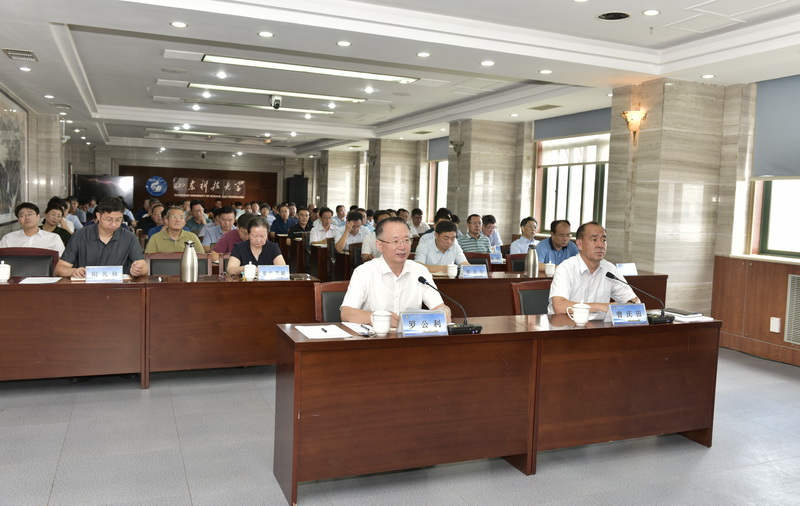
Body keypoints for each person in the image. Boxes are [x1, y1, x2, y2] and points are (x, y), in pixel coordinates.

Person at [340, 217, 450, 328]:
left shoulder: (420, 271)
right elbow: (346, 313)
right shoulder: (364, 272)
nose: (402, 247)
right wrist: (378, 318)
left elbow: (439, 307)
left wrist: (445, 311)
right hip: (376, 336)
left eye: (406, 240)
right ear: (379, 245)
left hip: (410, 336)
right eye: (395, 241)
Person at [547, 221, 639, 316]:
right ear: (579, 244)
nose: (600, 245)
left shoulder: (610, 270)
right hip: (565, 323)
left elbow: (635, 301)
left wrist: (628, 305)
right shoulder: (566, 269)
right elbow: (559, 306)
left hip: (598, 324)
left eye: (603, 240)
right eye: (594, 240)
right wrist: (600, 306)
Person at [55, 197, 148, 278]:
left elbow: (144, 267)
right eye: (109, 219)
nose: (114, 224)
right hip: (87, 288)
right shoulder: (80, 235)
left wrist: (138, 270)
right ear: (98, 216)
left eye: (118, 220)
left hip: (118, 288)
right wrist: (73, 271)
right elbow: (60, 268)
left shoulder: (129, 237)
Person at [0, 202, 65, 255]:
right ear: (18, 220)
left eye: (30, 214)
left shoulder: (54, 238)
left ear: (38, 216)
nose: (27, 218)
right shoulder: (8, 238)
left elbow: (62, 261)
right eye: (22, 215)